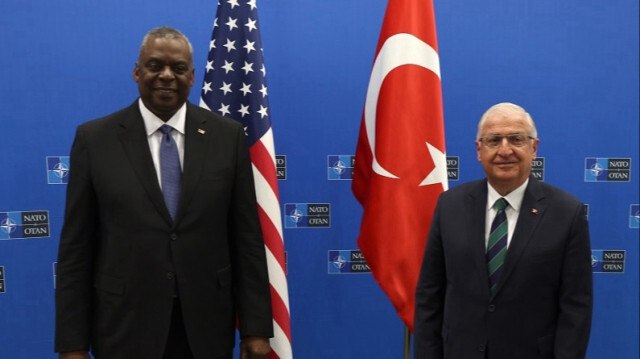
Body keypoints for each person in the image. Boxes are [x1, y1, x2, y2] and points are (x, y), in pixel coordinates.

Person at [55, 26, 273, 359]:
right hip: (123, 325)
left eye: (178, 68)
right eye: (155, 65)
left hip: (206, 326)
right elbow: (76, 250)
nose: (166, 76)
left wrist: (256, 328)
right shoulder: (94, 140)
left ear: (192, 76)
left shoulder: (227, 137)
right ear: (136, 71)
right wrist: (72, 345)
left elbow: (246, 240)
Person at [414, 103, 593, 359]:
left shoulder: (567, 213)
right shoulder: (449, 205)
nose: (505, 150)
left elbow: (576, 309)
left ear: (534, 148)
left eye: (517, 139)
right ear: (479, 150)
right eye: (494, 140)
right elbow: (429, 296)